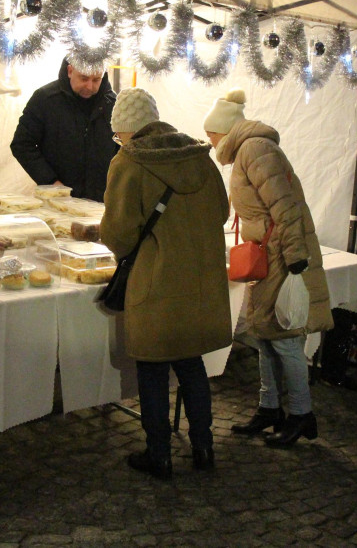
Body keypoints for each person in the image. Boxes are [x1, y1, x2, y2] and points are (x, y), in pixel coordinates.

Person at [100, 87, 231, 479]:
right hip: (201, 280)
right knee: (192, 364)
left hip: (155, 284)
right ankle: (204, 447)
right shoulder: (200, 157)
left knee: (153, 370)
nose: (119, 141)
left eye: (118, 134)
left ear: (126, 130)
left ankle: (159, 453)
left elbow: (119, 235)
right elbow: (222, 212)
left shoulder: (128, 162)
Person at [203, 88, 333, 448]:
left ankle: (302, 415)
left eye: (211, 133)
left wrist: (294, 259)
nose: (209, 140)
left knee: (287, 340)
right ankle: (270, 408)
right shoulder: (248, 151)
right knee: (265, 335)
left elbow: (286, 207)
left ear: (225, 131)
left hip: (281, 256)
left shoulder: (256, 150)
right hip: (266, 254)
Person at [10, 58, 118, 202]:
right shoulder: (45, 99)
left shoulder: (114, 104)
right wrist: (51, 182)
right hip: (58, 200)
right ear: (70, 71)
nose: (89, 86)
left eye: (96, 79)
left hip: (102, 201)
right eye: (84, 78)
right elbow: (22, 144)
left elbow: (122, 150)